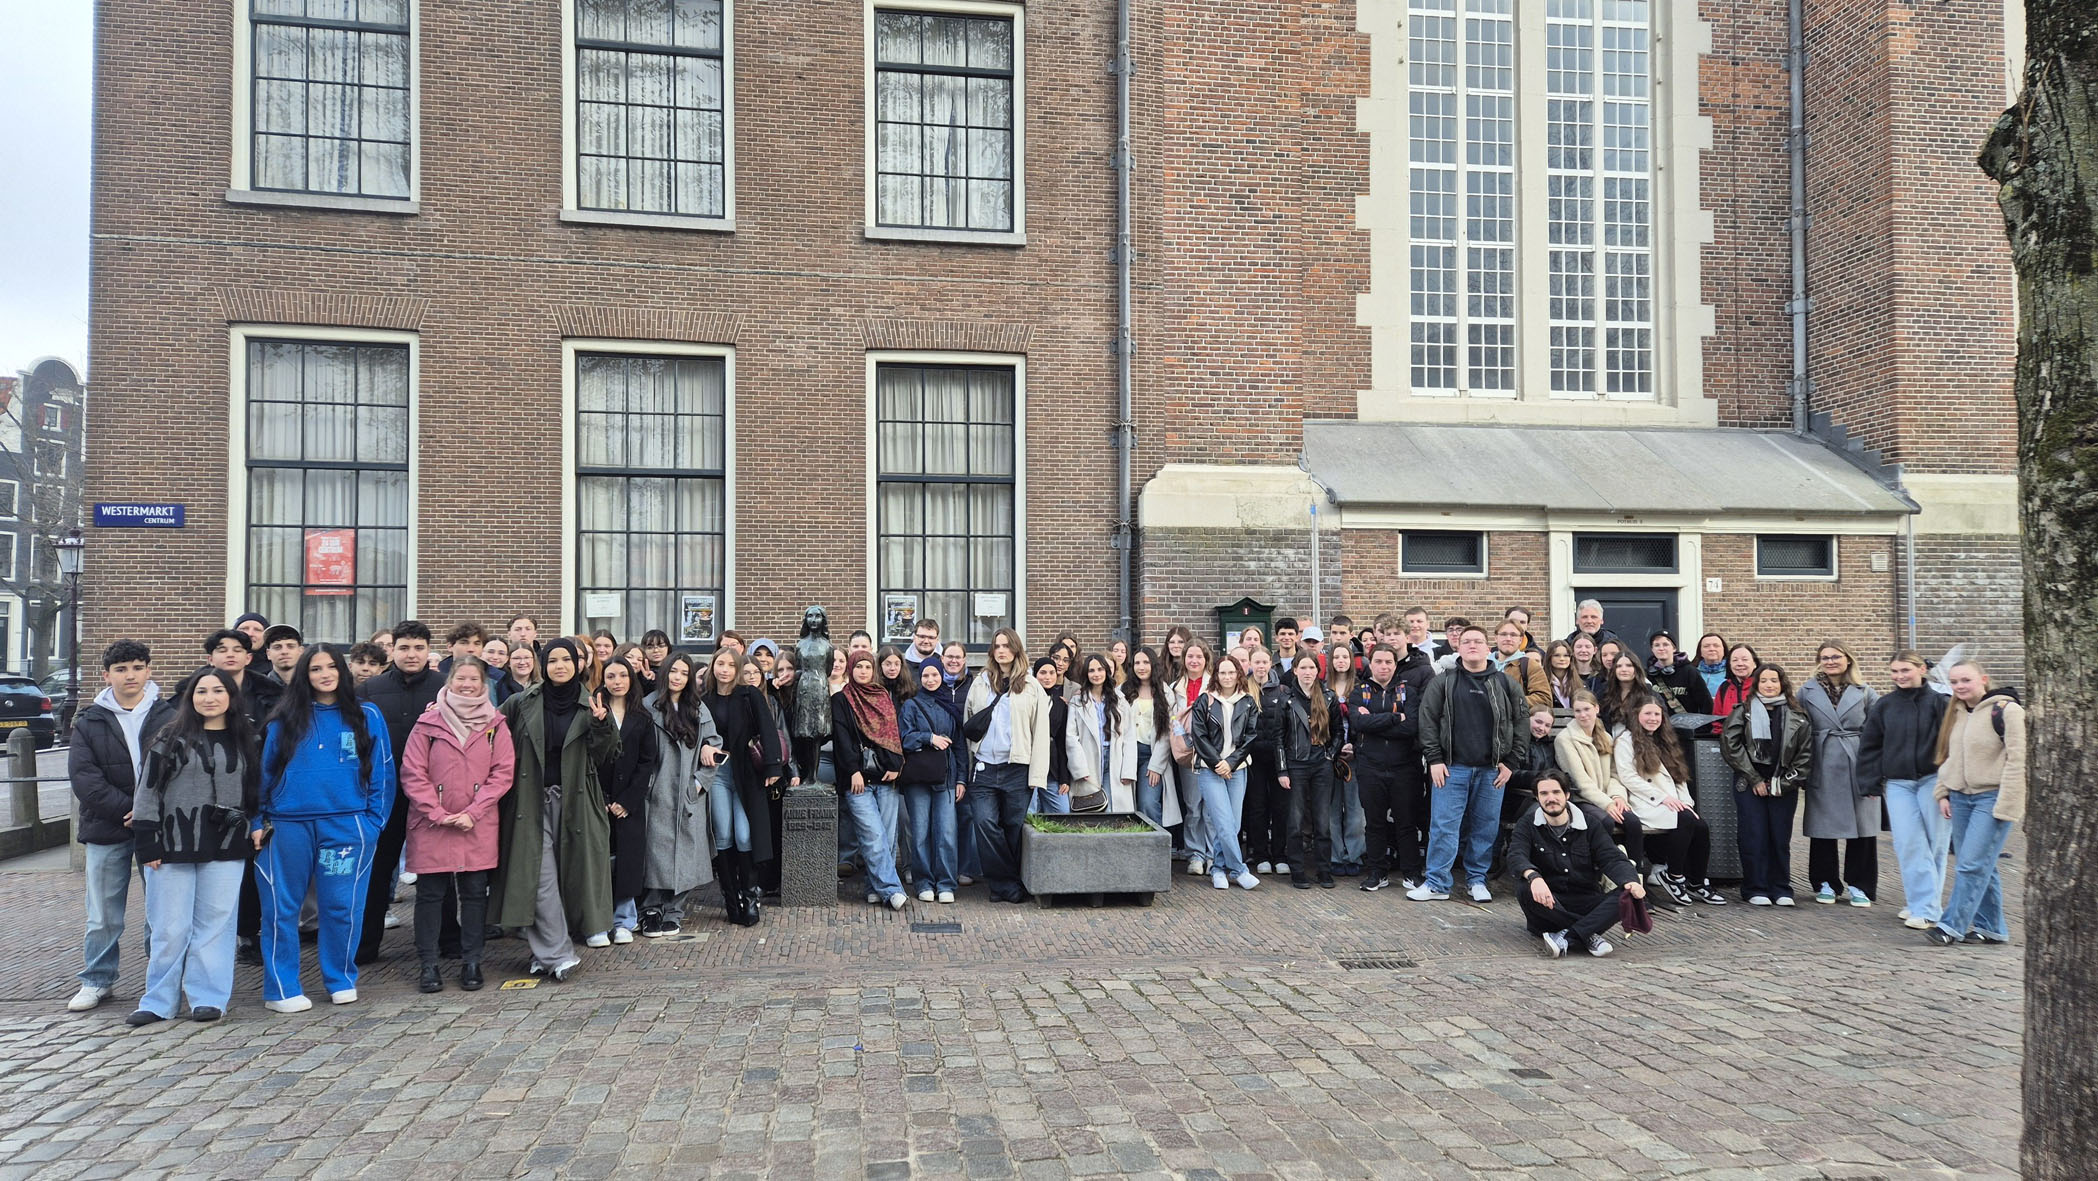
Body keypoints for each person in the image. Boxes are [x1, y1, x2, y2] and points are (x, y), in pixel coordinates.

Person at [255, 645, 395, 1012]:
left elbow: (383, 771)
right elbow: (263, 775)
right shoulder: (283, 719)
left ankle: (340, 978)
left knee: (341, 906)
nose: (325, 674)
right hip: (287, 827)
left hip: (347, 827)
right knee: (281, 908)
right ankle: (281, 989)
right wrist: (259, 820)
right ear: (305, 674)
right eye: (316, 669)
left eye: (331, 666)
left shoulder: (366, 715)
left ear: (342, 671)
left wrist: (373, 823)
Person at [125, 667, 260, 1025]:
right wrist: (147, 843)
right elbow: (148, 792)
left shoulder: (246, 738)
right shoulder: (169, 738)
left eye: (218, 690)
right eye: (202, 691)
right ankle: (158, 1001)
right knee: (169, 927)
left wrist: (257, 826)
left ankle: (209, 997)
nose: (209, 697)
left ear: (231, 696)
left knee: (215, 925)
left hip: (228, 843)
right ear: (191, 697)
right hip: (172, 844)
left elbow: (257, 791)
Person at [492, 639, 617, 980]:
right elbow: (485, 727)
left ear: (579, 664)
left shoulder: (591, 703)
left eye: (567, 659)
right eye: (553, 660)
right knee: (539, 878)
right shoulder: (521, 702)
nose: (560, 665)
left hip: (576, 802)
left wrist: (602, 724)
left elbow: (607, 753)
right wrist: (442, 710)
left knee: (570, 879)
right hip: (530, 802)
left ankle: (542, 954)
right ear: (542, 665)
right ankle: (558, 954)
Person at [67, 639, 177, 1013]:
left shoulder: (171, 715)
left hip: (159, 826)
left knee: (159, 911)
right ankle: (97, 981)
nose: (130, 675)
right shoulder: (89, 720)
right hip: (106, 827)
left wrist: (150, 810)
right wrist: (129, 809)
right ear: (106, 675)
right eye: (121, 669)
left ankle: (159, 982)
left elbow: (181, 769)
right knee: (102, 913)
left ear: (148, 670)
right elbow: (84, 777)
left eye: (137, 667)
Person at [398, 656, 513, 993]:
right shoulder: (428, 724)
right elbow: (412, 772)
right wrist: (436, 812)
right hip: (432, 824)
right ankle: (428, 964)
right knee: (431, 895)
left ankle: (472, 961)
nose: (466, 685)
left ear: (483, 684)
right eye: (460, 679)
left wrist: (473, 811)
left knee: (475, 894)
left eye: (473, 680)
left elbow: (502, 773)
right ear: (449, 681)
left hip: (476, 823)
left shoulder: (496, 725)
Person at [1413, 626, 1528, 903]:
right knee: (1443, 827)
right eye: (1466, 641)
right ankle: (1437, 883)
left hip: (1492, 770)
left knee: (1485, 827)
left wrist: (1512, 761)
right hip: (1452, 768)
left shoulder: (1504, 683)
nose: (1472, 645)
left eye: (1478, 641)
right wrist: (1435, 760)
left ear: (1488, 648)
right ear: (1459, 648)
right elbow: (1427, 721)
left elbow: (1522, 721)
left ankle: (1477, 880)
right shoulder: (1443, 682)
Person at [356, 621, 443, 966]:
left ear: (428, 650)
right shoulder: (370, 690)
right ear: (393, 650)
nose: (411, 654)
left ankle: (446, 940)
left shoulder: (445, 687)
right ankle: (366, 944)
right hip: (386, 793)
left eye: (419, 648)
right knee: (378, 870)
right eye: (404, 648)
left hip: (433, 793)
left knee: (438, 870)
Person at [1926, 661, 2024, 947]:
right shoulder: (1955, 713)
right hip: (1960, 798)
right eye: (1954, 682)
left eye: (1966, 680)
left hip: (1991, 797)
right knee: (1984, 865)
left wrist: (2008, 804)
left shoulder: (2007, 711)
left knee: (1970, 865)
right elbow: (1948, 755)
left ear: (1983, 679)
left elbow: (2018, 760)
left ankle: (1950, 926)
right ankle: (1991, 928)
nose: (1959, 687)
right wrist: (1942, 791)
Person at [1507, 770, 1649, 958]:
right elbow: (1516, 855)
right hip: (1549, 905)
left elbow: (1612, 858)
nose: (1551, 798)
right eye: (1544, 794)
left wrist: (1631, 881)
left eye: (1556, 792)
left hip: (1586, 900)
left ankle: (1569, 936)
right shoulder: (1527, 824)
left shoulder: (1590, 824)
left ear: (1567, 795)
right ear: (1537, 798)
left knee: (1628, 894)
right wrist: (1534, 877)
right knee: (1525, 888)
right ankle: (1589, 932)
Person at [1858, 651, 1952, 931]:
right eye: (1894, 671)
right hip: (1898, 783)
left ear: (1921, 669)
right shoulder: (1885, 706)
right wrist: (1870, 781)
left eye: (1905, 670)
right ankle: (1925, 907)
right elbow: (1870, 744)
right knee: (1909, 844)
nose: (1899, 676)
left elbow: (1951, 745)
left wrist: (1949, 785)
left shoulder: (1940, 703)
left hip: (1933, 780)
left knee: (1934, 846)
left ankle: (1923, 905)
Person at [204, 627, 280, 966]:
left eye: (238, 649)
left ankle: (251, 932)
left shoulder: (271, 698)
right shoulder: (194, 696)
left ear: (250, 658)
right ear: (210, 658)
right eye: (222, 649)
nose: (230, 655)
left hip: (259, 789)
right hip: (210, 794)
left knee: (254, 866)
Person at [963, 628, 1053, 903]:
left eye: (1006, 645)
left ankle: (1006, 885)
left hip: (1017, 768)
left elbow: (1040, 732)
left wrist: (1037, 775)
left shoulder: (1031, 685)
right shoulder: (980, 682)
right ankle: (1007, 884)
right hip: (984, 768)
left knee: (1013, 827)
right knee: (985, 823)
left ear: (1016, 649)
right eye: (997, 646)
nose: (1001, 650)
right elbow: (969, 723)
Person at [701, 648, 785, 924]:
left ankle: (750, 898)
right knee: (723, 833)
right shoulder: (703, 700)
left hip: (747, 773)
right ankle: (731, 899)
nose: (724, 669)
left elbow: (768, 729)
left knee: (745, 835)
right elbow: (694, 734)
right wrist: (703, 746)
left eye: (729, 664)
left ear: (737, 669)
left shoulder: (748, 695)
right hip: (718, 773)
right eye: (720, 664)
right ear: (713, 667)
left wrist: (773, 767)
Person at [1614, 696, 1725, 906]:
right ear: (1636, 715)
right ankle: (1673, 876)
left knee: (1700, 825)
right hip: (1645, 801)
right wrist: (1663, 798)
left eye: (1657, 714)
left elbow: (1679, 777)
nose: (1653, 718)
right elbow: (1628, 777)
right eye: (1647, 713)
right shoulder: (1626, 740)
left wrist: (1686, 803)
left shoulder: (1666, 739)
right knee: (1685, 820)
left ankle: (1697, 882)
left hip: (1670, 801)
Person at [640, 653, 720, 936]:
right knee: (655, 850)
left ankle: (675, 910)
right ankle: (651, 908)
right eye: (673, 671)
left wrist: (699, 784)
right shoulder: (648, 706)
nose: (677, 677)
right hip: (657, 790)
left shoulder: (698, 708)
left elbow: (714, 745)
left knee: (686, 851)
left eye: (683, 673)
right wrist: (647, 785)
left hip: (688, 792)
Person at [1721, 662, 1813, 905]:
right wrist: (1754, 778)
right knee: (1754, 835)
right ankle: (1755, 887)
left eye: (1774, 680)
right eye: (1764, 681)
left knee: (1779, 837)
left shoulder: (1798, 715)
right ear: (1756, 684)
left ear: (1782, 683)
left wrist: (1783, 783)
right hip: (1750, 783)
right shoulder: (1743, 710)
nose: (1769, 685)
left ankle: (1781, 887)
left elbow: (1804, 755)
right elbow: (1731, 746)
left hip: (1783, 785)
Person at [1798, 641, 1880, 907]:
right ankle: (1825, 882)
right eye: (1825, 657)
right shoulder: (1806, 691)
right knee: (1823, 827)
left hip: (1857, 761)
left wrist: (1874, 768)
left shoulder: (1865, 692)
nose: (1830, 661)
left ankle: (1860, 884)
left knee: (1863, 827)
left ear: (1848, 659)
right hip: (1822, 761)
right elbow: (1797, 726)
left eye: (1835, 656)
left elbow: (1878, 730)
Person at [1350, 643, 1430, 892]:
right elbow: (1358, 723)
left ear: (1395, 665)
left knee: (1406, 822)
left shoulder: (1410, 692)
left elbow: (1412, 727)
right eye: (1379, 662)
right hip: (1370, 766)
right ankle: (1377, 872)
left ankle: (1411, 872)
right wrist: (1396, 717)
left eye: (1389, 662)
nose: (1383, 666)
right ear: (1370, 664)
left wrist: (1374, 720)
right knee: (1374, 822)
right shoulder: (1358, 691)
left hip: (1405, 767)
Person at [833, 651, 909, 910]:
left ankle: (873, 887)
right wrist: (853, 770)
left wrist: (898, 765)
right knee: (872, 836)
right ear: (850, 669)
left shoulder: (882, 696)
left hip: (887, 777)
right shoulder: (841, 699)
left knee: (887, 839)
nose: (863, 671)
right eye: (859, 666)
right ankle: (892, 889)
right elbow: (842, 738)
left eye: (868, 667)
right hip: (858, 780)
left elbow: (894, 733)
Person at [593, 657, 661, 946]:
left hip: (629, 803)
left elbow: (647, 761)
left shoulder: (642, 717)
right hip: (598, 800)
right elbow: (588, 758)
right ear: (603, 680)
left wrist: (628, 800)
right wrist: (604, 798)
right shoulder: (592, 713)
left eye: (623, 675)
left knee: (628, 860)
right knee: (597, 861)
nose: (617, 681)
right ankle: (596, 920)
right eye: (611, 676)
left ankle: (624, 920)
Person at [1190, 652, 1261, 890]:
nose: (1228, 676)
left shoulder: (1247, 701)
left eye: (1232, 672)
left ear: (1238, 674)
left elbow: (1250, 736)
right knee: (1222, 821)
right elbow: (1199, 737)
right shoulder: (1205, 700)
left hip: (1237, 768)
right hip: (1210, 769)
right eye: (1223, 672)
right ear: (1216, 675)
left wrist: (1230, 762)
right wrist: (1217, 763)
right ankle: (1239, 870)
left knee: (1233, 823)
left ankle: (1219, 868)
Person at [1554, 690, 1645, 869]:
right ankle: (1603, 869)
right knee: (1605, 821)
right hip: (1582, 799)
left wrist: (1617, 797)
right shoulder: (1565, 739)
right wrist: (1607, 804)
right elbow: (1580, 782)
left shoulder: (1605, 737)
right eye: (1578, 710)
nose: (1583, 715)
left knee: (1633, 821)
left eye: (1587, 709)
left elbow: (1614, 774)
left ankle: (1636, 871)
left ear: (1596, 709)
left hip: (1606, 796)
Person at [899, 659, 964, 903]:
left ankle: (946, 882)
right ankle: (923, 881)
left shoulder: (951, 707)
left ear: (942, 676)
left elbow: (959, 746)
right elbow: (903, 739)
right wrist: (929, 738)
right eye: (926, 675)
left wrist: (962, 780)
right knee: (920, 833)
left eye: (935, 675)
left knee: (947, 833)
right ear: (920, 678)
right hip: (918, 779)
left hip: (946, 778)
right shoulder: (910, 706)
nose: (930, 680)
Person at [1276, 653, 1342, 890]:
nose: (1307, 672)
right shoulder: (1286, 700)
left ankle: (1324, 870)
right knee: (1295, 821)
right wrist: (1282, 769)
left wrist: (1330, 755)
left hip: (1321, 763)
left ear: (1317, 671)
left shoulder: (1329, 697)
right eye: (1302, 667)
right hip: (1295, 763)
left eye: (1311, 667)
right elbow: (1279, 738)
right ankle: (1297, 871)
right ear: (1294, 670)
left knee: (1322, 821)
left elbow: (1338, 732)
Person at [1066, 653, 1134, 813]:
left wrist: (1128, 770)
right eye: (1091, 671)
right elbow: (1071, 737)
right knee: (1094, 809)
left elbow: (1129, 737)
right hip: (1088, 760)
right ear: (1086, 674)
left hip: (1114, 759)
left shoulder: (1120, 700)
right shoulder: (1077, 701)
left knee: (1114, 809)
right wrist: (1079, 769)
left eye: (1100, 669)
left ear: (1107, 672)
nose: (1096, 674)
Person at [1239, 646, 1285, 873]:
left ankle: (1280, 855)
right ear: (1250, 664)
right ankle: (1260, 855)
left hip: (1277, 758)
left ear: (1270, 664)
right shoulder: (1244, 690)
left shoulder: (1282, 689)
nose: (1260, 666)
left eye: (1264, 662)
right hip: (1252, 758)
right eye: (1256, 662)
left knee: (1280, 807)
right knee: (1257, 807)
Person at [1323, 643, 1364, 876]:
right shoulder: (1322, 689)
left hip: (1355, 756)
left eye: (1344, 656)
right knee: (1331, 809)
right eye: (1336, 657)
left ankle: (1355, 854)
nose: (1340, 660)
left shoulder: (1359, 689)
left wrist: (1354, 746)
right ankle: (1336, 855)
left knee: (1355, 810)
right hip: (1329, 757)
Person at [1122, 646, 1174, 828]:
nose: (1141, 667)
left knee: (1148, 803)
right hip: (1125, 755)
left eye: (1145, 662)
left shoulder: (1165, 692)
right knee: (1125, 805)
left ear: (1153, 665)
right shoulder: (1123, 691)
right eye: (1137, 663)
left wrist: (1156, 765)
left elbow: (1167, 733)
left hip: (1151, 756)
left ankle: (1157, 849)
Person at [1643, 631, 1714, 717]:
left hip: (1686, 727)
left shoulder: (1690, 672)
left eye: (1665, 644)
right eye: (1657, 645)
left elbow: (1705, 703)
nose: (1661, 648)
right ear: (1652, 649)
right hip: (1657, 726)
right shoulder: (1646, 675)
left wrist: (1702, 729)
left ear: (1674, 648)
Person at [1492, 621, 1550, 710]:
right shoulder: (1483, 663)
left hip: (1514, 721)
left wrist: (1511, 702)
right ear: (1495, 638)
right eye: (1503, 634)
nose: (1508, 638)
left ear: (1520, 640)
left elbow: (1544, 698)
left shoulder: (1530, 665)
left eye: (1513, 635)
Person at [1707, 643, 1760, 737]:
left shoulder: (1761, 686)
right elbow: (1717, 720)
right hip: (1730, 744)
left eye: (1745, 660)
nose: (1740, 664)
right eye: (1735, 660)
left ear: (1754, 663)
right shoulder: (1724, 687)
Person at [1597, 652, 1654, 733]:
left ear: (1636, 668)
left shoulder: (1648, 693)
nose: (1624, 669)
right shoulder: (1604, 692)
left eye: (1629, 665)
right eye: (1619, 666)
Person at [1541, 640, 1580, 714]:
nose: (1562, 659)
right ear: (1549, 658)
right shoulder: (1541, 682)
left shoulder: (1579, 683)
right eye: (1557, 655)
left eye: (1566, 655)